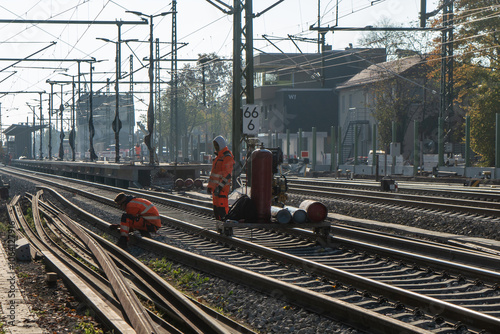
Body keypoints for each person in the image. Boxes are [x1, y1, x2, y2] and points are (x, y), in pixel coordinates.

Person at [207, 135, 235, 220]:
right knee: (217, 211)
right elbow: (214, 175)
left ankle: (226, 230)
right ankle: (220, 229)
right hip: (216, 190)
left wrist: (219, 187)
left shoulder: (226, 157)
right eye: (215, 145)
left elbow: (227, 175)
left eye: (217, 145)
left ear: (221, 145)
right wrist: (210, 187)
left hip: (221, 190)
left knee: (223, 211)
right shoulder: (219, 157)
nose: (215, 147)